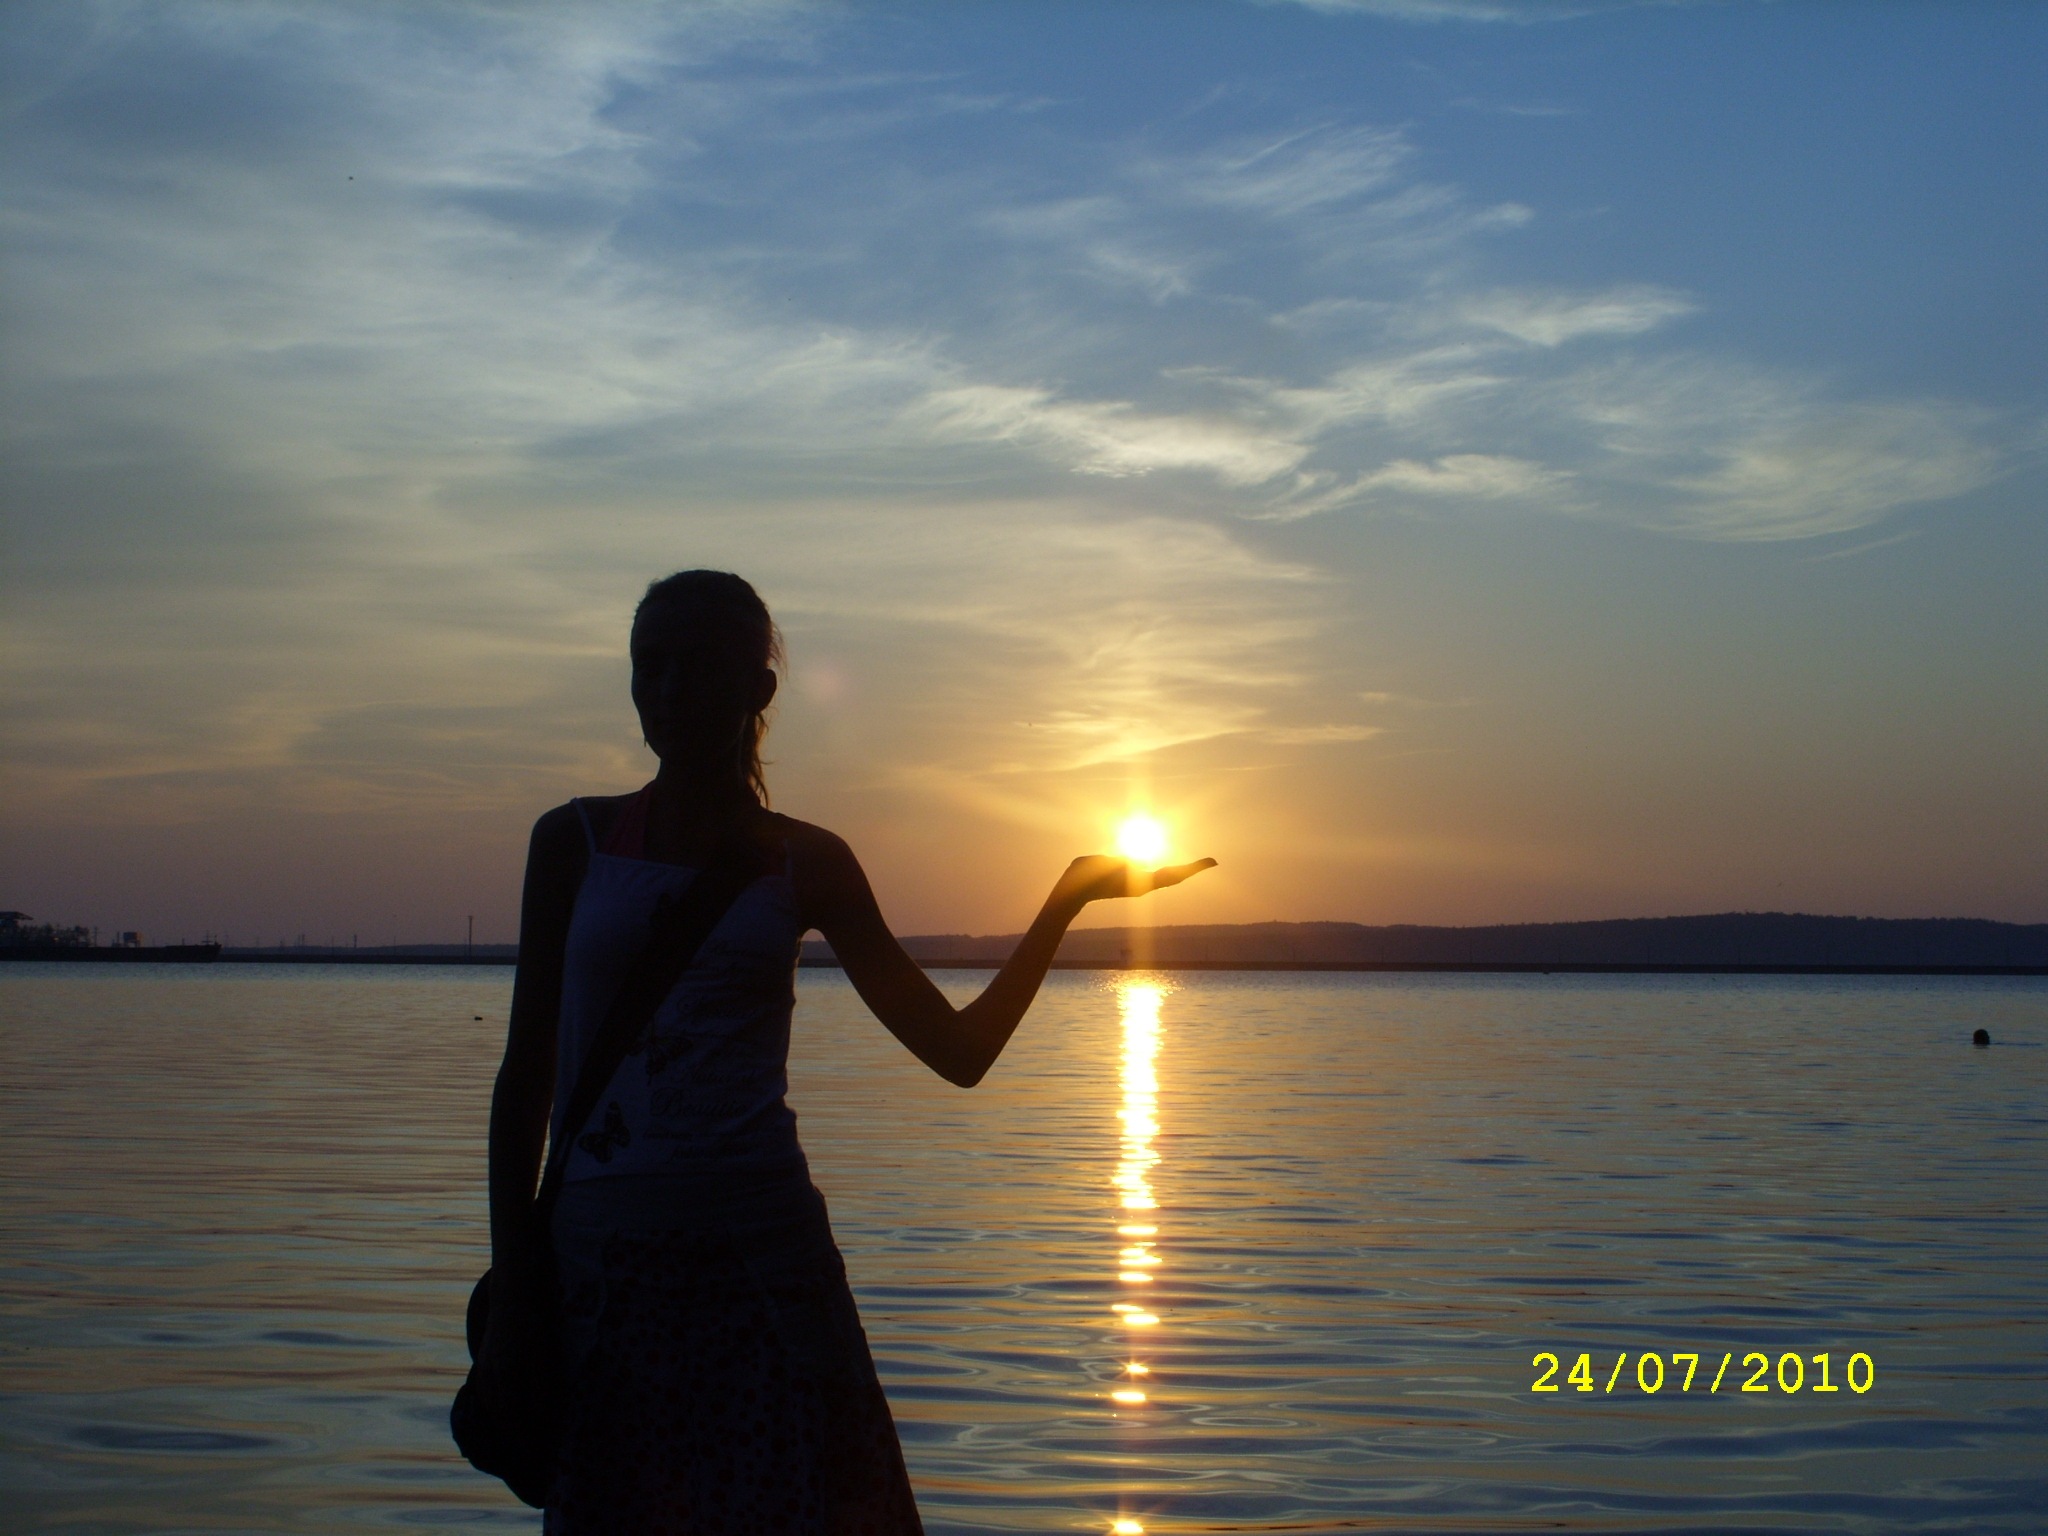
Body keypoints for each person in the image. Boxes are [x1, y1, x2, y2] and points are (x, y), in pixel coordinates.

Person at [479, 569, 1214, 1532]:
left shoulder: (808, 861)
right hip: (601, 1273)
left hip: (763, 1263)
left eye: (694, 666)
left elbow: (958, 1050)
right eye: (647, 666)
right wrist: (516, 1286)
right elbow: (526, 1078)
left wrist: (1065, 901)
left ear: (757, 690)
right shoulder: (573, 841)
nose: (665, 690)